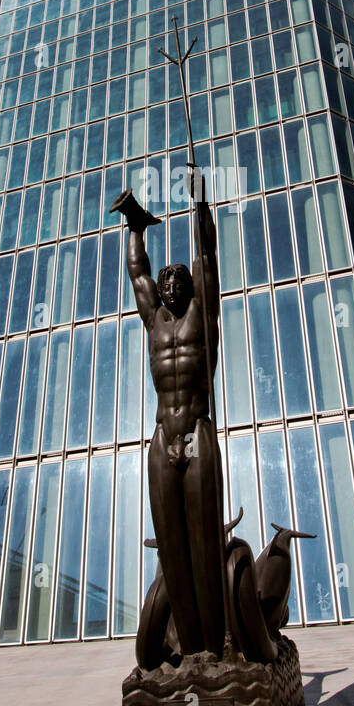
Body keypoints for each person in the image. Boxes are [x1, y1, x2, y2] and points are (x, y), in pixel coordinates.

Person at [115, 172, 224, 656]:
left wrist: (200, 204)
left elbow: (206, 255)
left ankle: (215, 643)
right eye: (167, 279)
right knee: (171, 544)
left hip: (197, 432)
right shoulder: (154, 319)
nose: (172, 281)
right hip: (164, 435)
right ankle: (185, 647)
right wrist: (136, 226)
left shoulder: (204, 313)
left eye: (180, 277)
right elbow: (137, 273)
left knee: (202, 542)